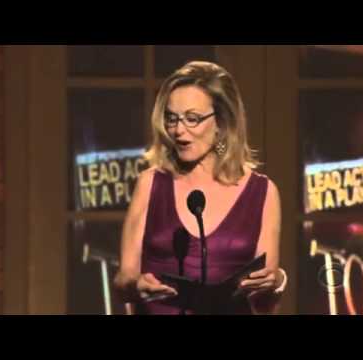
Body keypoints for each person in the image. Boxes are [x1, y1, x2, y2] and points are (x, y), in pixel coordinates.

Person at [114, 61, 286, 314]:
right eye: (172, 119)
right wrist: (135, 285)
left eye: (192, 119)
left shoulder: (263, 193)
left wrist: (276, 282)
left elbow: (264, 304)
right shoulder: (151, 184)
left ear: (221, 123)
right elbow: (122, 281)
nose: (179, 130)